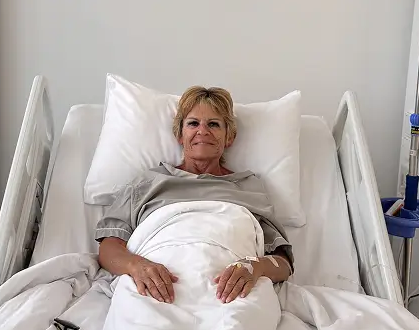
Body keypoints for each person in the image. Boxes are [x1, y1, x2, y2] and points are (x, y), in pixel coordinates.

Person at [94, 86, 294, 303]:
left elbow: (282, 263)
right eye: (193, 123)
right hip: (156, 286)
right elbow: (109, 247)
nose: (203, 131)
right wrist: (137, 266)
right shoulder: (149, 182)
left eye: (214, 124)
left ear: (229, 137)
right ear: (180, 134)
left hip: (231, 292)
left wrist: (255, 267)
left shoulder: (248, 186)